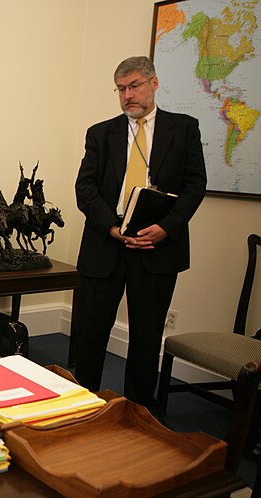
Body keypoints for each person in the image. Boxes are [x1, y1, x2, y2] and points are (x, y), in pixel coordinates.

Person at [73, 56, 206, 410]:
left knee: (146, 337)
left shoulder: (184, 129)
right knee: (90, 334)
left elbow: (195, 186)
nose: (127, 95)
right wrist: (113, 228)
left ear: (154, 83)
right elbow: (85, 189)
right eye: (121, 89)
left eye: (134, 86)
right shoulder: (100, 133)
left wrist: (165, 228)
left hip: (157, 249)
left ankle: (138, 414)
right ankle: (82, 406)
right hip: (106, 244)